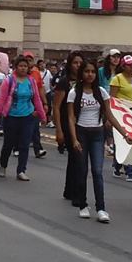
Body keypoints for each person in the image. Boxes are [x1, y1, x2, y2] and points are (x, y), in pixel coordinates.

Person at [67, 58, 132, 222]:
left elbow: (109, 115)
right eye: (86, 71)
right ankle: (83, 205)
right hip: (81, 133)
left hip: (97, 135)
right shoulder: (74, 92)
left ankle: (101, 208)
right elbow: (71, 118)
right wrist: (74, 139)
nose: (89, 75)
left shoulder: (101, 92)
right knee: (82, 171)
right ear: (82, 74)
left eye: (92, 72)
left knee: (97, 171)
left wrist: (125, 133)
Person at [0, 55, 48, 181]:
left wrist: (42, 115)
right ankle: (3, 165)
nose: (23, 68)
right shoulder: (9, 81)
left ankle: (21, 170)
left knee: (24, 144)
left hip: (27, 117)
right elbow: (2, 100)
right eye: (20, 66)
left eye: (25, 66)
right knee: (8, 144)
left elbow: (36, 99)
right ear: (16, 67)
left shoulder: (31, 81)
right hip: (11, 117)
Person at [109, 54, 132, 182]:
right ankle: (127, 170)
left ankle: (119, 165)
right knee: (123, 140)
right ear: (124, 66)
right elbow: (112, 99)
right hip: (121, 114)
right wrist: (111, 116)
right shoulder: (117, 79)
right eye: (129, 65)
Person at [52, 51, 83, 202]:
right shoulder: (64, 82)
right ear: (70, 64)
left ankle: (69, 190)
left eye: (80, 63)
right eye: (75, 63)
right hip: (67, 122)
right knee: (76, 156)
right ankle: (75, 191)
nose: (78, 65)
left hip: (82, 123)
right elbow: (56, 107)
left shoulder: (86, 81)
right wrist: (59, 130)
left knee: (76, 158)